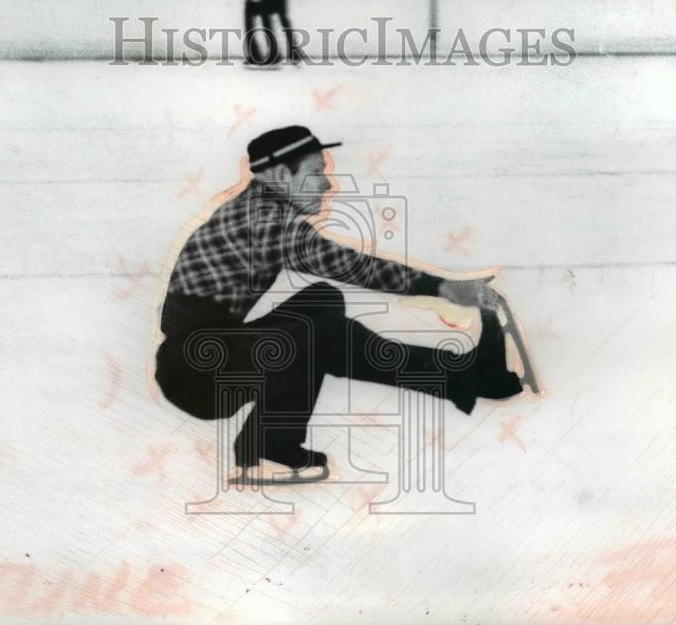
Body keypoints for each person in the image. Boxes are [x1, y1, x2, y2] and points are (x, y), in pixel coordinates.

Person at [155, 126, 527, 482]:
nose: (328, 184)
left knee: (321, 300)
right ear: (282, 174)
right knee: (316, 332)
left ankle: (463, 375)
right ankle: (270, 447)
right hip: (196, 372)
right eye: (317, 172)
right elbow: (351, 266)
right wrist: (443, 288)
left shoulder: (257, 210)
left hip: (205, 356)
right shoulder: (263, 219)